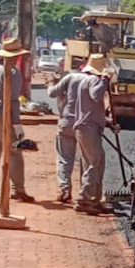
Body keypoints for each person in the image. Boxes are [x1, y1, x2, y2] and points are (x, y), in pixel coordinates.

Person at [0, 38, 34, 202]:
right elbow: (13, 101)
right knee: (15, 152)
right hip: (2, 113)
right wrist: (17, 125)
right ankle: (18, 189)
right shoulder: (12, 72)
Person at [73, 54, 113, 214]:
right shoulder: (94, 81)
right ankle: (84, 198)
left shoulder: (84, 81)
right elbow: (96, 96)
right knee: (94, 162)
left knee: (94, 162)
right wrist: (104, 80)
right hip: (88, 128)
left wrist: (106, 121)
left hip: (86, 127)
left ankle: (94, 199)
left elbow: (92, 107)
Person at [47, 70, 87, 203]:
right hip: (85, 124)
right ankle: (86, 193)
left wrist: (50, 82)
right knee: (87, 159)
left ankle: (64, 189)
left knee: (64, 158)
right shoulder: (91, 81)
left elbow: (52, 93)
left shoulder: (69, 79)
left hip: (67, 123)